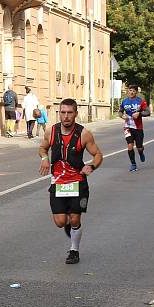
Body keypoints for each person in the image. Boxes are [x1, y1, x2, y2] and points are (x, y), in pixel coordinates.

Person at [39, 98, 103, 265]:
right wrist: (45, 158)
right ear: (59, 113)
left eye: (69, 113)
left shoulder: (84, 134)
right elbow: (42, 148)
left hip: (78, 181)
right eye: (63, 112)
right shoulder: (51, 132)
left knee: (75, 219)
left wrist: (92, 167)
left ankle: (74, 250)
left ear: (75, 113)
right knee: (60, 222)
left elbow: (98, 154)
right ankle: (70, 225)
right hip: (58, 182)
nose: (66, 116)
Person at [119, 85, 150, 172]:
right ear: (128, 91)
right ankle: (133, 164)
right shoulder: (124, 101)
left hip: (138, 127)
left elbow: (148, 112)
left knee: (139, 146)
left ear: (136, 92)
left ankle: (141, 152)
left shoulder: (141, 101)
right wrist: (122, 116)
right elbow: (120, 111)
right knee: (130, 145)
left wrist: (139, 114)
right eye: (130, 91)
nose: (131, 92)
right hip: (128, 126)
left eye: (133, 91)